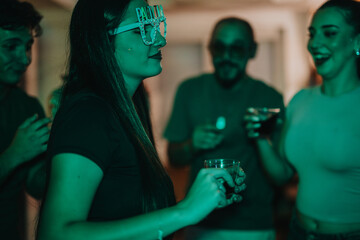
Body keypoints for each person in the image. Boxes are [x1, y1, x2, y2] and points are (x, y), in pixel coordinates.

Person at [36, 0, 246, 240]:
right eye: (140, 29)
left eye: (154, 27)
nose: (159, 40)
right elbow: (56, 234)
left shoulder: (127, 108)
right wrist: (185, 211)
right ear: (103, 40)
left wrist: (204, 200)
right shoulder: (88, 113)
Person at [245, 0, 360, 239]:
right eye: (312, 34)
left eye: (329, 33)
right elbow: (282, 174)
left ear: (357, 41)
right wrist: (260, 137)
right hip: (298, 230)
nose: (315, 44)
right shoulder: (300, 100)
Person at [164, 17, 285, 239]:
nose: (226, 57)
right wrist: (192, 145)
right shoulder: (189, 90)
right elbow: (173, 158)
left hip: (254, 225)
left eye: (236, 49)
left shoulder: (269, 97)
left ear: (252, 51)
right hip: (200, 220)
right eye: (219, 47)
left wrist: (259, 139)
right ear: (209, 48)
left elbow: (281, 176)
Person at [0, 1, 50, 239]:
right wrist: (13, 155)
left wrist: (64, 144)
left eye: (28, 46)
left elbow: (37, 186)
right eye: (11, 46)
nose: (25, 58)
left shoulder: (27, 107)